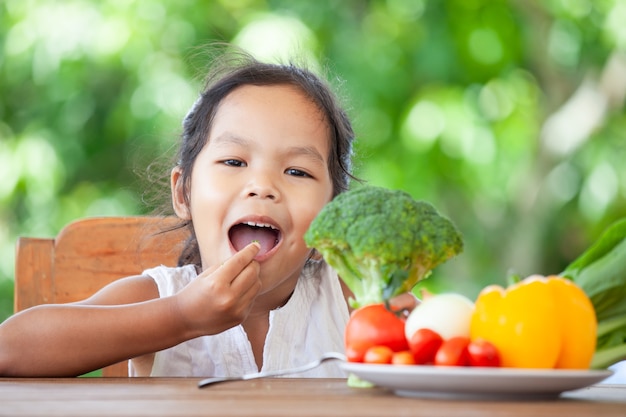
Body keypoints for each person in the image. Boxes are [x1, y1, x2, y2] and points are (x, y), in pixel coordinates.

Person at [0, 48, 369, 378]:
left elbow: (425, 339)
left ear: (331, 216)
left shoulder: (353, 299)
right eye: (233, 161)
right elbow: (9, 349)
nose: (262, 186)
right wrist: (181, 317)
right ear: (184, 192)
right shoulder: (159, 297)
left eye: (296, 172)